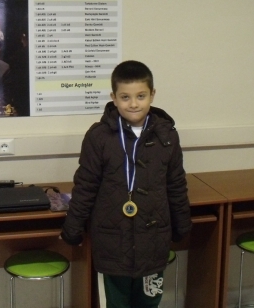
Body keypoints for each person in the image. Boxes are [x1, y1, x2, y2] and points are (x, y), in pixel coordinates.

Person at [61, 60, 191, 308]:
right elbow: (85, 186)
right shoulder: (99, 136)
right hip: (112, 241)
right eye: (125, 97)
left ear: (152, 94)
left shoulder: (167, 136)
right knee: (116, 304)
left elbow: (176, 184)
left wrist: (181, 225)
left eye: (141, 96)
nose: (133, 104)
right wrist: (72, 228)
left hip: (153, 241)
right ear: (114, 97)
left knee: (149, 303)